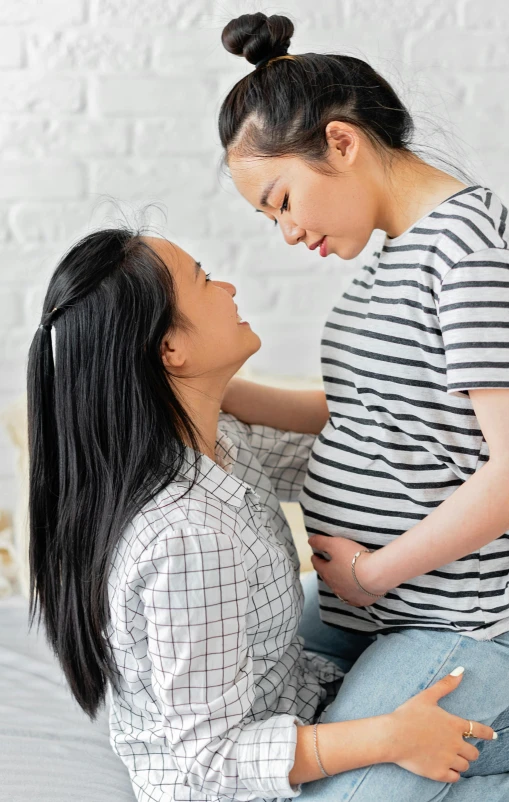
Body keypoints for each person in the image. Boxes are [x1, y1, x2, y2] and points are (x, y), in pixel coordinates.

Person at [27, 230, 496, 802]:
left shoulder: (209, 443)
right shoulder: (188, 536)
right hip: (234, 781)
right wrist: (387, 737)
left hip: (285, 687)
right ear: (171, 349)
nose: (225, 286)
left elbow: (347, 464)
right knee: (445, 742)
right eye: (202, 279)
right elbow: (211, 757)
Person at [217, 11, 509, 800]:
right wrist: (218, 392)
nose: (284, 231)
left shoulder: (466, 253)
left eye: (280, 200)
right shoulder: (393, 258)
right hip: (365, 603)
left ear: (340, 143)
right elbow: (362, 405)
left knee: (339, 792)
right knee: (229, 745)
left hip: (453, 618)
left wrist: (373, 573)